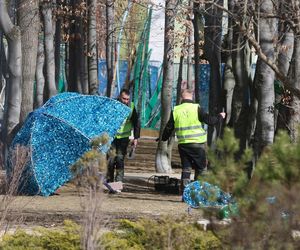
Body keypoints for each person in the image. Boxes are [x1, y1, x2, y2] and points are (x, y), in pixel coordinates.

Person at [162, 89, 226, 193]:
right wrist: (220, 116)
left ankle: (185, 193)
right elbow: (210, 121)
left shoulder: (176, 110)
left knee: (186, 168)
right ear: (192, 97)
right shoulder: (197, 108)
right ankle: (198, 193)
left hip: (183, 145)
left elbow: (169, 127)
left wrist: (163, 138)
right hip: (197, 144)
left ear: (181, 98)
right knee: (201, 169)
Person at [107, 89, 140, 183]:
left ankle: (118, 182)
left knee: (120, 159)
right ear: (119, 97)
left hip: (124, 138)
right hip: (112, 138)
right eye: (124, 98)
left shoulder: (131, 107)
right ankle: (109, 181)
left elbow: (136, 122)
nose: (125, 101)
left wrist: (136, 138)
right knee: (110, 160)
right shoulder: (113, 105)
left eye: (127, 99)